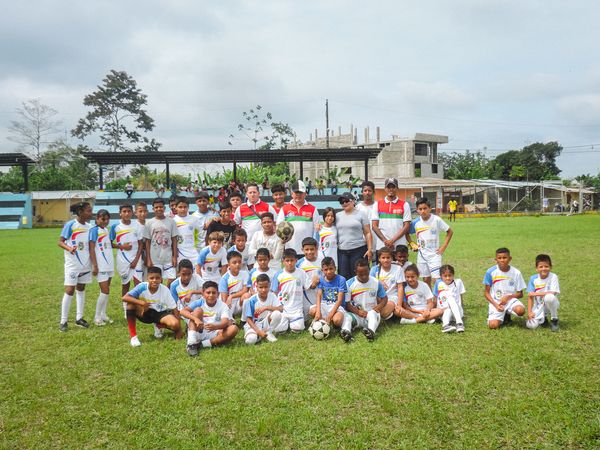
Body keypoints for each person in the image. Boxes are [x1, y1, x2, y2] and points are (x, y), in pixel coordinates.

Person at [122, 266, 182, 347]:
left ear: (161, 279)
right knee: (130, 304)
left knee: (174, 324)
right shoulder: (142, 286)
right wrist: (141, 303)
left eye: (157, 278)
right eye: (152, 278)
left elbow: (174, 308)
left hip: (159, 314)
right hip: (144, 312)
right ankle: (134, 337)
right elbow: (125, 297)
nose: (154, 280)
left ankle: (159, 325)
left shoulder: (165, 290)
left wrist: (179, 329)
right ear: (147, 279)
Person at [58, 202, 93, 332]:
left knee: (81, 289)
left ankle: (79, 318)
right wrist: (69, 248)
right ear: (80, 211)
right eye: (88, 211)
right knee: (69, 290)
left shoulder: (90, 227)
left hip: (85, 264)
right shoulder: (70, 225)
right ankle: (63, 321)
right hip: (72, 264)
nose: (91, 213)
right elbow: (60, 242)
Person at [180, 280, 239, 356]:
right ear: (203, 293)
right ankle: (191, 343)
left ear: (218, 294)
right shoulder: (199, 302)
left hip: (215, 332)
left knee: (234, 328)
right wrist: (196, 319)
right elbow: (182, 311)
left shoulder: (223, 305)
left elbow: (225, 322)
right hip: (199, 330)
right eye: (208, 292)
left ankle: (202, 344)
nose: (211, 295)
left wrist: (215, 326)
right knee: (198, 310)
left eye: (214, 293)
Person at [407, 197, 453, 288]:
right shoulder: (416, 222)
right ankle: (429, 296)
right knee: (426, 279)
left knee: (436, 280)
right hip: (422, 255)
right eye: (420, 209)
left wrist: (443, 247)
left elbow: (450, 231)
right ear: (417, 210)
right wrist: (411, 243)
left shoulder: (436, 219)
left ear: (430, 208)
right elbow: (406, 232)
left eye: (425, 208)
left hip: (435, 255)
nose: (423, 211)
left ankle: (439, 296)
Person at [341, 259, 388, 341]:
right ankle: (346, 332)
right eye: (360, 273)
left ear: (369, 270)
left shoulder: (376, 282)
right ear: (355, 272)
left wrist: (378, 307)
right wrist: (357, 312)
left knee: (373, 314)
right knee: (347, 316)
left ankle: (371, 331)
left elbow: (385, 298)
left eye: (366, 272)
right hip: (357, 315)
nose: (364, 275)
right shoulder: (349, 284)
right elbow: (347, 304)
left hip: (371, 315)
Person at [111, 204, 144, 318]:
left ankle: (138, 309)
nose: (126, 213)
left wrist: (136, 259)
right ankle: (126, 310)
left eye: (129, 211)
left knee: (138, 285)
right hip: (123, 260)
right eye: (124, 211)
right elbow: (109, 243)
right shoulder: (115, 226)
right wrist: (122, 246)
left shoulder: (137, 225)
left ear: (132, 212)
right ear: (120, 213)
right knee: (125, 284)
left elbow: (140, 244)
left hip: (136, 259)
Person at [483, 247, 526, 329]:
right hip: (496, 302)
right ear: (496, 259)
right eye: (499, 258)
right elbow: (486, 293)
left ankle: (507, 313)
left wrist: (508, 297)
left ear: (510, 258)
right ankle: (500, 316)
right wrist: (496, 305)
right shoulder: (490, 272)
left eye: (504, 257)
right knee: (493, 326)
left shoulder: (516, 273)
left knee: (520, 311)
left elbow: (520, 294)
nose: (502, 260)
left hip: (510, 300)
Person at [276, 180, 320, 258]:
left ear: (305, 194)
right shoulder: (284, 209)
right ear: (292, 194)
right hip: (290, 250)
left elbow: (317, 231)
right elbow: (279, 227)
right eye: (296, 193)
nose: (298, 195)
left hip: (307, 251)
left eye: (301, 193)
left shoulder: (313, 209)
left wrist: (316, 249)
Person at [335, 192, 373, 280]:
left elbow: (367, 232)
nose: (344, 203)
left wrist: (370, 249)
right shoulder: (337, 216)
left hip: (358, 250)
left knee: (358, 275)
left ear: (353, 201)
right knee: (343, 276)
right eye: (342, 202)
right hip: (342, 251)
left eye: (346, 201)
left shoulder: (361, 214)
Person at [271, 248, 310, 333]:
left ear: (296, 260)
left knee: (297, 329)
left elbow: (308, 286)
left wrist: (316, 280)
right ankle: (284, 321)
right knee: (280, 330)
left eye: (292, 260)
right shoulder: (278, 274)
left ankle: (293, 322)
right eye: (287, 260)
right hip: (283, 309)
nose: (289, 263)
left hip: (297, 309)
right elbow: (274, 292)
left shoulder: (301, 273)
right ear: (283, 261)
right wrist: (277, 307)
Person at [372, 177, 412, 258]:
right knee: (382, 266)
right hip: (382, 246)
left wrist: (392, 241)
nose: (391, 189)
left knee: (400, 266)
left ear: (397, 188)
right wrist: (385, 241)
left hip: (400, 247)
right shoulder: (377, 204)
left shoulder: (405, 204)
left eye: (393, 187)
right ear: (385, 189)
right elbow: (374, 226)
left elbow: (406, 226)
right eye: (388, 187)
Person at [143, 198, 178, 286]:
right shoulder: (149, 223)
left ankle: (167, 292)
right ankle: (159, 294)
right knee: (157, 280)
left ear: (164, 208)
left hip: (168, 257)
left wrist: (174, 256)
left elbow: (174, 240)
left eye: (161, 207)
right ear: (153, 209)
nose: (159, 209)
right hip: (154, 258)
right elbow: (147, 242)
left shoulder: (171, 222)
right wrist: (148, 258)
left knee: (172, 279)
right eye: (156, 207)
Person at [309, 257, 348, 338]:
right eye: (326, 269)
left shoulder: (341, 279)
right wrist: (318, 312)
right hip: (325, 304)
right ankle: (322, 323)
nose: (329, 271)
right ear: (322, 270)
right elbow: (319, 295)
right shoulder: (321, 280)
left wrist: (330, 314)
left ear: (335, 268)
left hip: (337, 306)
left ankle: (332, 324)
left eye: (331, 269)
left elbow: (340, 300)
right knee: (312, 311)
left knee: (337, 320)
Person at [89, 209, 114, 326]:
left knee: (106, 291)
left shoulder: (106, 230)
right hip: (101, 265)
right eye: (103, 219)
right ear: (97, 219)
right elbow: (91, 248)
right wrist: (95, 265)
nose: (105, 221)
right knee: (105, 291)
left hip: (109, 264)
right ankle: (97, 317)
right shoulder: (94, 230)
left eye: (107, 219)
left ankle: (103, 314)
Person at [243, 274, 282, 344]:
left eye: (266, 287)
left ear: (269, 286)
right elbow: (249, 319)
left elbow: (281, 308)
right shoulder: (251, 300)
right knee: (250, 340)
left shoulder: (272, 296)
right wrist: (258, 331)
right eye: (261, 287)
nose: (263, 290)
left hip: (265, 323)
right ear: (256, 287)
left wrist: (266, 308)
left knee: (277, 314)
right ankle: (259, 335)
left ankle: (269, 332)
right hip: (254, 325)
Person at [526, 254, 561, 332]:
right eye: (541, 267)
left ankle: (554, 319)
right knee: (531, 325)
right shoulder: (533, 278)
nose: (544, 269)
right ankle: (544, 319)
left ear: (550, 267)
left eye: (546, 266)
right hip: (539, 305)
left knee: (549, 297)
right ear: (536, 268)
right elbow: (530, 296)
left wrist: (535, 294)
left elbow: (553, 292)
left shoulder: (553, 276)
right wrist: (530, 312)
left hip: (551, 304)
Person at [369, 247, 403, 321]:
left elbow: (400, 287)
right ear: (379, 259)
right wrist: (379, 282)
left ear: (392, 258)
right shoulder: (374, 269)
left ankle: (386, 314)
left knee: (383, 313)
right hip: (378, 298)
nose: (386, 260)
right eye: (383, 258)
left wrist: (399, 305)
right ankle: (389, 314)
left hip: (392, 297)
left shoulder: (398, 269)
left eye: (388, 258)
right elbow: (369, 284)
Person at [433, 264, 465, 333]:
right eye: (445, 276)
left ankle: (457, 323)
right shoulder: (439, 283)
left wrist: (462, 309)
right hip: (445, 312)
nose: (448, 278)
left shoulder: (458, 282)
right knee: (448, 304)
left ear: (453, 275)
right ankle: (453, 324)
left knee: (450, 298)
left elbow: (460, 297)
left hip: (457, 312)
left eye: (450, 275)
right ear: (441, 276)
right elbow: (435, 298)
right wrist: (435, 312)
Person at [296, 237, 322, 318]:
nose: (309, 252)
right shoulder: (299, 264)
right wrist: (311, 284)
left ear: (316, 249)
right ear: (302, 250)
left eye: (312, 249)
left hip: (319, 294)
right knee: (307, 317)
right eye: (307, 249)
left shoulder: (321, 261)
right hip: (305, 296)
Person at [173, 197, 204, 265]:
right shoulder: (173, 221)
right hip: (180, 252)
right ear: (176, 207)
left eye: (185, 207)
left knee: (197, 270)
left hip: (193, 252)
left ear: (188, 207)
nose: (183, 209)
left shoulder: (194, 219)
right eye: (180, 207)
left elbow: (202, 230)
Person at [219, 251, 249, 318]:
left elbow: (245, 290)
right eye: (234, 262)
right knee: (228, 320)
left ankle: (243, 320)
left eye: (239, 262)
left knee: (247, 295)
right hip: (228, 304)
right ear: (229, 264)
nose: (237, 264)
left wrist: (231, 296)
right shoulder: (224, 278)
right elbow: (224, 300)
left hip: (239, 303)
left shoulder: (245, 273)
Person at [356, 181, 376, 251]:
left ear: (373, 192)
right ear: (362, 192)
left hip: (376, 241)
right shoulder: (357, 208)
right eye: (365, 190)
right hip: (362, 242)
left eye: (369, 191)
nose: (367, 193)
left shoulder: (378, 206)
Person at [134, 202, 148, 282]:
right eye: (140, 211)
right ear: (135, 212)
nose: (143, 213)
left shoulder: (149, 224)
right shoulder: (133, 226)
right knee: (138, 279)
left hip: (148, 255)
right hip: (137, 255)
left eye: (145, 211)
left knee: (147, 279)